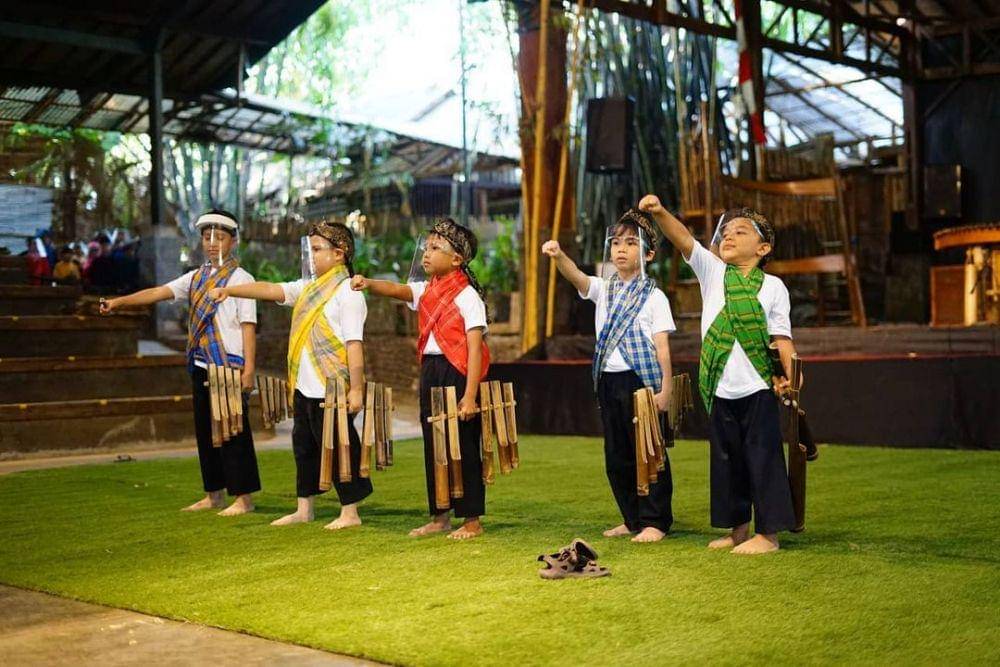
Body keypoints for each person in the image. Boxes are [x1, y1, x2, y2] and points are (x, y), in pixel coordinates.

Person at [639, 195, 799, 555]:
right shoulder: (713, 273)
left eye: (740, 232)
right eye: (725, 232)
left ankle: (768, 534)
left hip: (758, 387)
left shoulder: (773, 286)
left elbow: (781, 337)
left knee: (763, 459)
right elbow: (683, 239)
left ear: (763, 248)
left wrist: (793, 374)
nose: (728, 236)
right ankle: (738, 530)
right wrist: (660, 212)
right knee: (727, 462)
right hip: (719, 388)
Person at [100, 210, 260, 516]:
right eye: (207, 237)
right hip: (201, 364)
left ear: (233, 241)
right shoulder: (196, 278)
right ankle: (214, 494)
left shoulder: (242, 279)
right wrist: (119, 302)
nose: (212, 243)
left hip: (228, 366)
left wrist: (249, 369)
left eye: (220, 237)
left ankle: (244, 499)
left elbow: (248, 326)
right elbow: (158, 292)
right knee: (206, 433)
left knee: (235, 434)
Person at [542, 209, 676, 543]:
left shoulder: (654, 296)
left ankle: (656, 521)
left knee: (649, 451)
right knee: (617, 456)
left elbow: (662, 348)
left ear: (648, 254)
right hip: (608, 381)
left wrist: (666, 389)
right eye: (616, 243)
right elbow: (577, 277)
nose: (621, 249)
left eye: (630, 243)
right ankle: (632, 518)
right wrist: (558, 256)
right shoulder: (604, 289)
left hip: (641, 381)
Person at [351, 218, 489, 540]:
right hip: (431, 369)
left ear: (457, 259)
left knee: (464, 444)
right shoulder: (427, 290)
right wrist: (367, 282)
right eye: (426, 247)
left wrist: (470, 396)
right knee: (434, 442)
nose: (426, 254)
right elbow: (397, 290)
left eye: (435, 248)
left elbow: (475, 349)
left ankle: (471, 520)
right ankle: (439, 516)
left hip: (458, 371)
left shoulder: (467, 296)